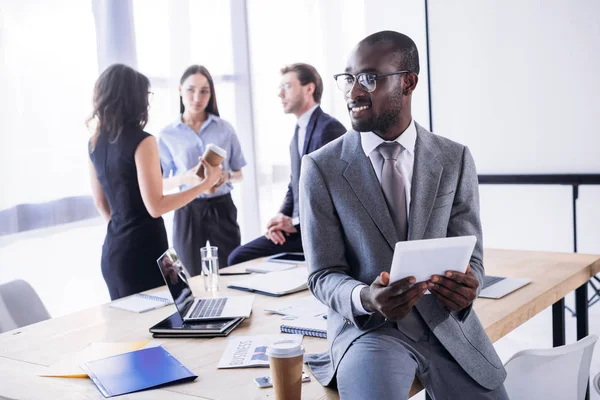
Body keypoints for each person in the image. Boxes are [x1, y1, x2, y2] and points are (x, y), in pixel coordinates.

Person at [299, 31, 509, 399]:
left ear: (408, 82)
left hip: (447, 328)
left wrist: (468, 286)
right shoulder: (321, 167)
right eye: (348, 79)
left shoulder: (454, 158)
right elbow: (322, 274)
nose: (353, 93)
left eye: (369, 78)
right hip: (370, 333)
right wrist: (365, 297)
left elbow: (471, 256)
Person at [88, 64, 221, 301]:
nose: (147, 102)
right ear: (133, 98)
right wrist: (205, 183)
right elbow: (156, 206)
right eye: (145, 95)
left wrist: (124, 232)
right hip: (147, 250)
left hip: (114, 251)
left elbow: (101, 203)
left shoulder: (95, 142)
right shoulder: (143, 141)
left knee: (134, 332)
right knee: (179, 318)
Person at [227, 63, 345, 266]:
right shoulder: (298, 132)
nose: (280, 94)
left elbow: (337, 194)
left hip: (321, 231)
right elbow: (295, 184)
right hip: (300, 228)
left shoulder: (329, 129)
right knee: (237, 257)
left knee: (238, 257)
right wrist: (280, 218)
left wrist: (294, 223)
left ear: (309, 89)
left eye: (287, 86)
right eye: (280, 88)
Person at [158, 65, 247, 274]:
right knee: (188, 274)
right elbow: (161, 182)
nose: (197, 97)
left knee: (231, 269)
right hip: (187, 208)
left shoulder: (225, 128)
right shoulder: (167, 134)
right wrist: (184, 178)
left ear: (211, 93)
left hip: (222, 208)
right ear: (180, 90)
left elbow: (239, 173)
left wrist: (225, 176)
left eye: (204, 91)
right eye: (191, 89)